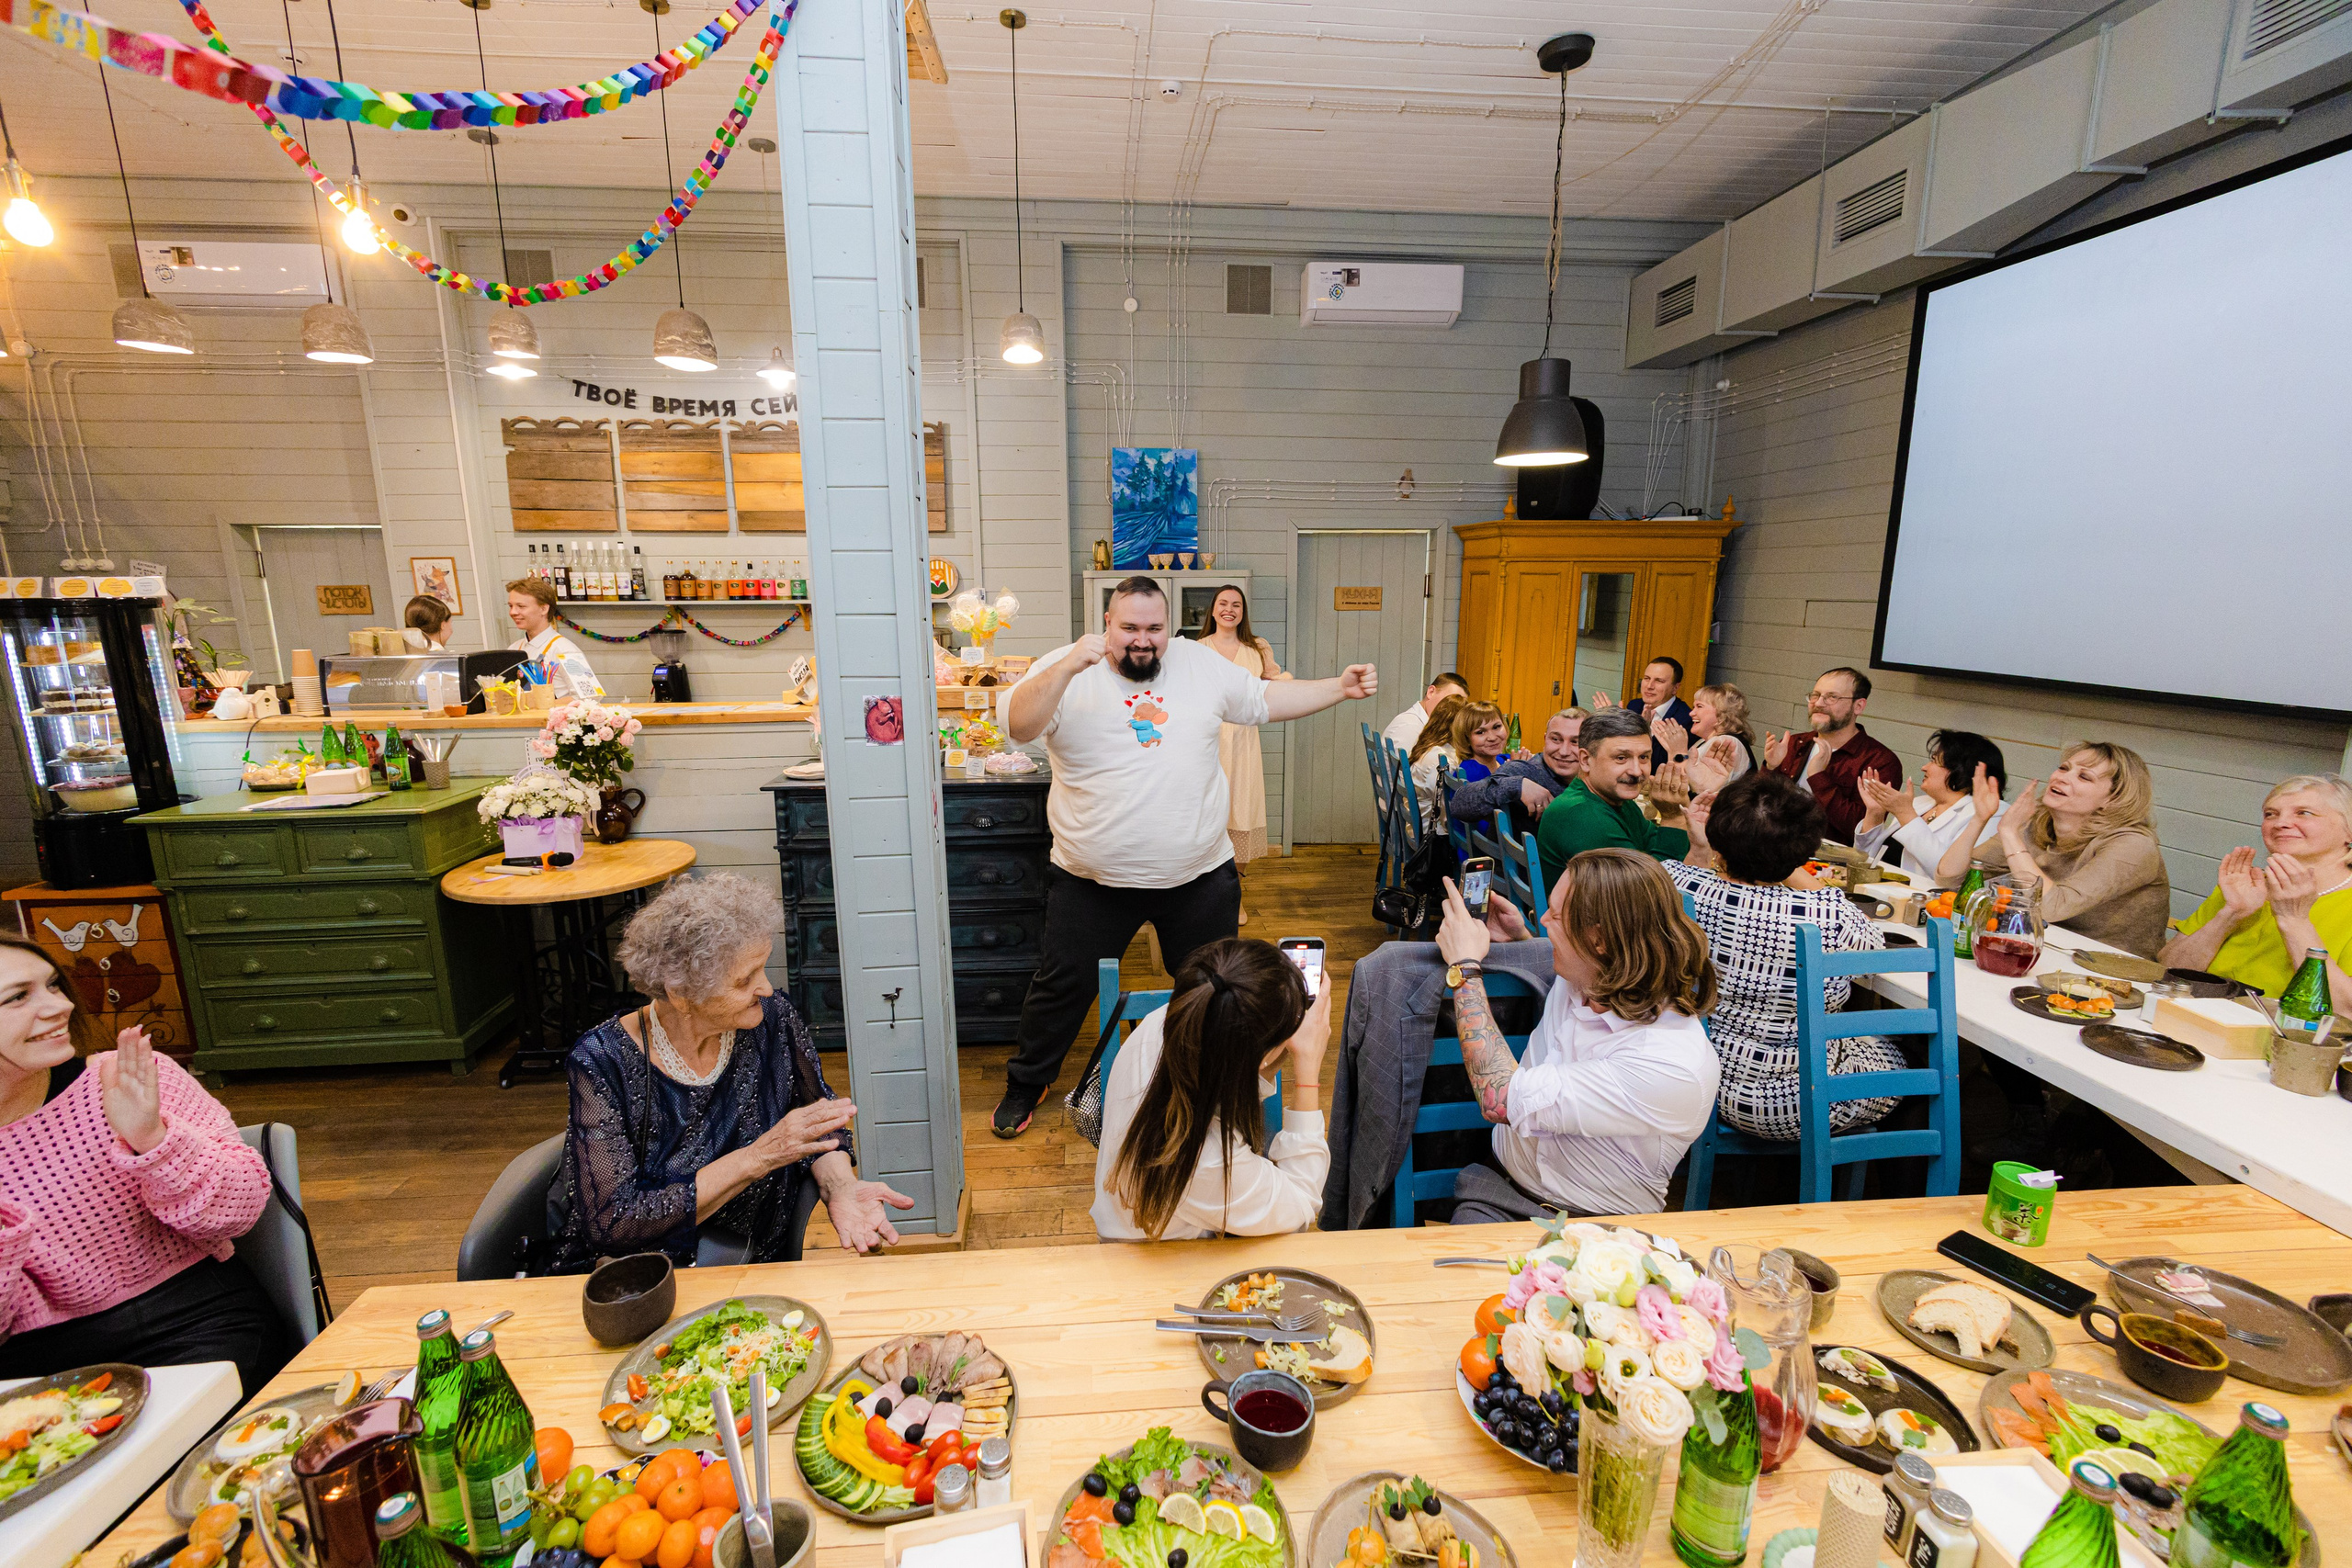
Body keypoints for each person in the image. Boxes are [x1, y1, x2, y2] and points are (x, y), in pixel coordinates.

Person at [993, 577, 1377, 1138]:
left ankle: (1209, 1084)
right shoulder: (1067, 667)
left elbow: (1265, 700)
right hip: (1090, 878)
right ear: (1107, 622)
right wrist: (1069, 666)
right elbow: (1019, 726)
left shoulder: (1198, 663)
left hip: (1197, 875)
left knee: (1213, 990)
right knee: (1062, 983)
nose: (1142, 641)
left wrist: (1338, 688)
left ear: (1166, 625)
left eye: (1153, 628)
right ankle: (1029, 1081)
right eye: (1128, 628)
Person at [546, 875, 914, 1270]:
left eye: (763, 968)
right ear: (681, 994)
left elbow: (818, 1123)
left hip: (752, 1260)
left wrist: (840, 1187)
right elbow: (613, 1223)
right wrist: (759, 1157)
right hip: (643, 1280)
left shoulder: (773, 1020)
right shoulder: (602, 1060)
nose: (767, 989)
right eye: (745, 979)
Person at [0, 933, 291, 1400]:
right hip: (30, 1366)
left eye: (54, 986)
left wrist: (152, 1139)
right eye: (18, 997)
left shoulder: (128, 1078)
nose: (59, 1007)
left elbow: (240, 1211)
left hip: (192, 1319)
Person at [1436, 849, 1720, 1220]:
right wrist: (1521, 938)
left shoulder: (1671, 1064)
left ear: (1599, 940)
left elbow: (1500, 1099)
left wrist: (1464, 968)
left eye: (1556, 913)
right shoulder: (1587, 978)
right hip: (1497, 1190)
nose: (1543, 918)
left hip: (1598, 1228)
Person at [1669, 773, 1905, 1141]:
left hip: (1697, 1076)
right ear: (1803, 848)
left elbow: (1688, 880)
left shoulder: (1676, 885)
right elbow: (1873, 947)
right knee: (1913, 1066)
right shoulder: (1827, 914)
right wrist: (1786, 861)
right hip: (1796, 1101)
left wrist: (1702, 849)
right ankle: (1864, 1187)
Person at [1091, 938, 1331, 1239]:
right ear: (1264, 1057)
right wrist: (1307, 1066)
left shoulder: (1173, 1021)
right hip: (1161, 1255)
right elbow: (1300, 1205)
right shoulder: (1206, 1161)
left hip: (1146, 1221)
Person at [1970, 741, 2169, 957]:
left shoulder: (2134, 845)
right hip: (2047, 952)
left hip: (2113, 974)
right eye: (2064, 768)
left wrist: (2009, 832)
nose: (2061, 777)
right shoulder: (2038, 822)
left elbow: (2050, 907)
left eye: (2084, 777)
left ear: (2113, 799)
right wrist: (1980, 818)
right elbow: (1951, 877)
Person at [2161, 773, 2352, 998]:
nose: (2280, 823)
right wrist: (2231, 914)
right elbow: (2168, 968)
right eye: (2271, 814)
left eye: (2304, 813)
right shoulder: (2246, 884)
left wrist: (2295, 921)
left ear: (2348, 829)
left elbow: (2346, 1011)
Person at [1196, 585, 1291, 926]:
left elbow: (1273, 683)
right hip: (1208, 742)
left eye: (1236, 605)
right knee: (1210, 812)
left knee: (1241, 809)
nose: (1229, 610)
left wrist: (1284, 680)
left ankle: (1234, 896)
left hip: (1245, 742)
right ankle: (1206, 896)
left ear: (1242, 612)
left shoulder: (1257, 647)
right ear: (1213, 610)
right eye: (1223, 604)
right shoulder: (1198, 649)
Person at [1533, 706, 1691, 884]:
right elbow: (1652, 890)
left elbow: (1654, 845)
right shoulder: (1582, 815)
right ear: (1585, 760)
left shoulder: (1615, 799)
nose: (1636, 771)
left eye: (1644, 757)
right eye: (1621, 758)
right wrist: (1674, 818)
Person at [1762, 667, 1902, 846]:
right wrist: (1770, 768)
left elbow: (1858, 830)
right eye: (1815, 695)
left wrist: (1818, 777)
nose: (1819, 703)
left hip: (1829, 864)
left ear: (1858, 706)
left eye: (1832, 697)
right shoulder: (1793, 743)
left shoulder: (1879, 761)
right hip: (1773, 847)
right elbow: (1762, 807)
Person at [1854, 729, 2008, 886]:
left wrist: (1905, 814)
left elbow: (1951, 879)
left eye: (1934, 761)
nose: (1924, 767)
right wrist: (1875, 814)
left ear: (1960, 770)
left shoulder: (1992, 814)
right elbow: (1866, 860)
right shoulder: (1921, 802)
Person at [1443, 708, 1586, 835]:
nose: (1564, 751)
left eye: (1575, 742)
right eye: (1556, 739)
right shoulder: (1522, 770)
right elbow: (1459, 804)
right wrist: (1517, 785)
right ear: (1545, 739)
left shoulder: (1597, 778)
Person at [507, 577, 603, 700]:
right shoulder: (514, 649)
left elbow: (591, 696)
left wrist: (549, 706)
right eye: (511, 606)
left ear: (544, 609)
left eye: (521, 606)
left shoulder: (564, 650)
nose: (513, 612)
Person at [1596, 656, 1692, 769]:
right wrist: (1611, 724)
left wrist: (1643, 731)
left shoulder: (1684, 719)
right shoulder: (1634, 706)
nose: (1649, 686)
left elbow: (1660, 765)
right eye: (1647, 678)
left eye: (1659, 681)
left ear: (1675, 688)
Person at [1406, 694, 1469, 835]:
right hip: (1433, 838)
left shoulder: (1426, 747)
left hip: (1418, 828)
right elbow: (1448, 816)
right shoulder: (1443, 760)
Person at [1383, 671, 1469, 753]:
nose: (1455, 711)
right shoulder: (1411, 727)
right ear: (1431, 692)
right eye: (1449, 701)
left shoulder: (1417, 722)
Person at [1688, 682, 1758, 772]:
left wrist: (1677, 751)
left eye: (1699, 706)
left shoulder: (1725, 743)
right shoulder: (1703, 741)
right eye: (1694, 707)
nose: (1691, 713)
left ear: (1722, 713)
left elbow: (1696, 781)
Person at [1450, 701, 1510, 784]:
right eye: (1480, 732)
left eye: (1496, 727)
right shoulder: (1472, 773)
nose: (1492, 738)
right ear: (1466, 739)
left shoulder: (1499, 760)